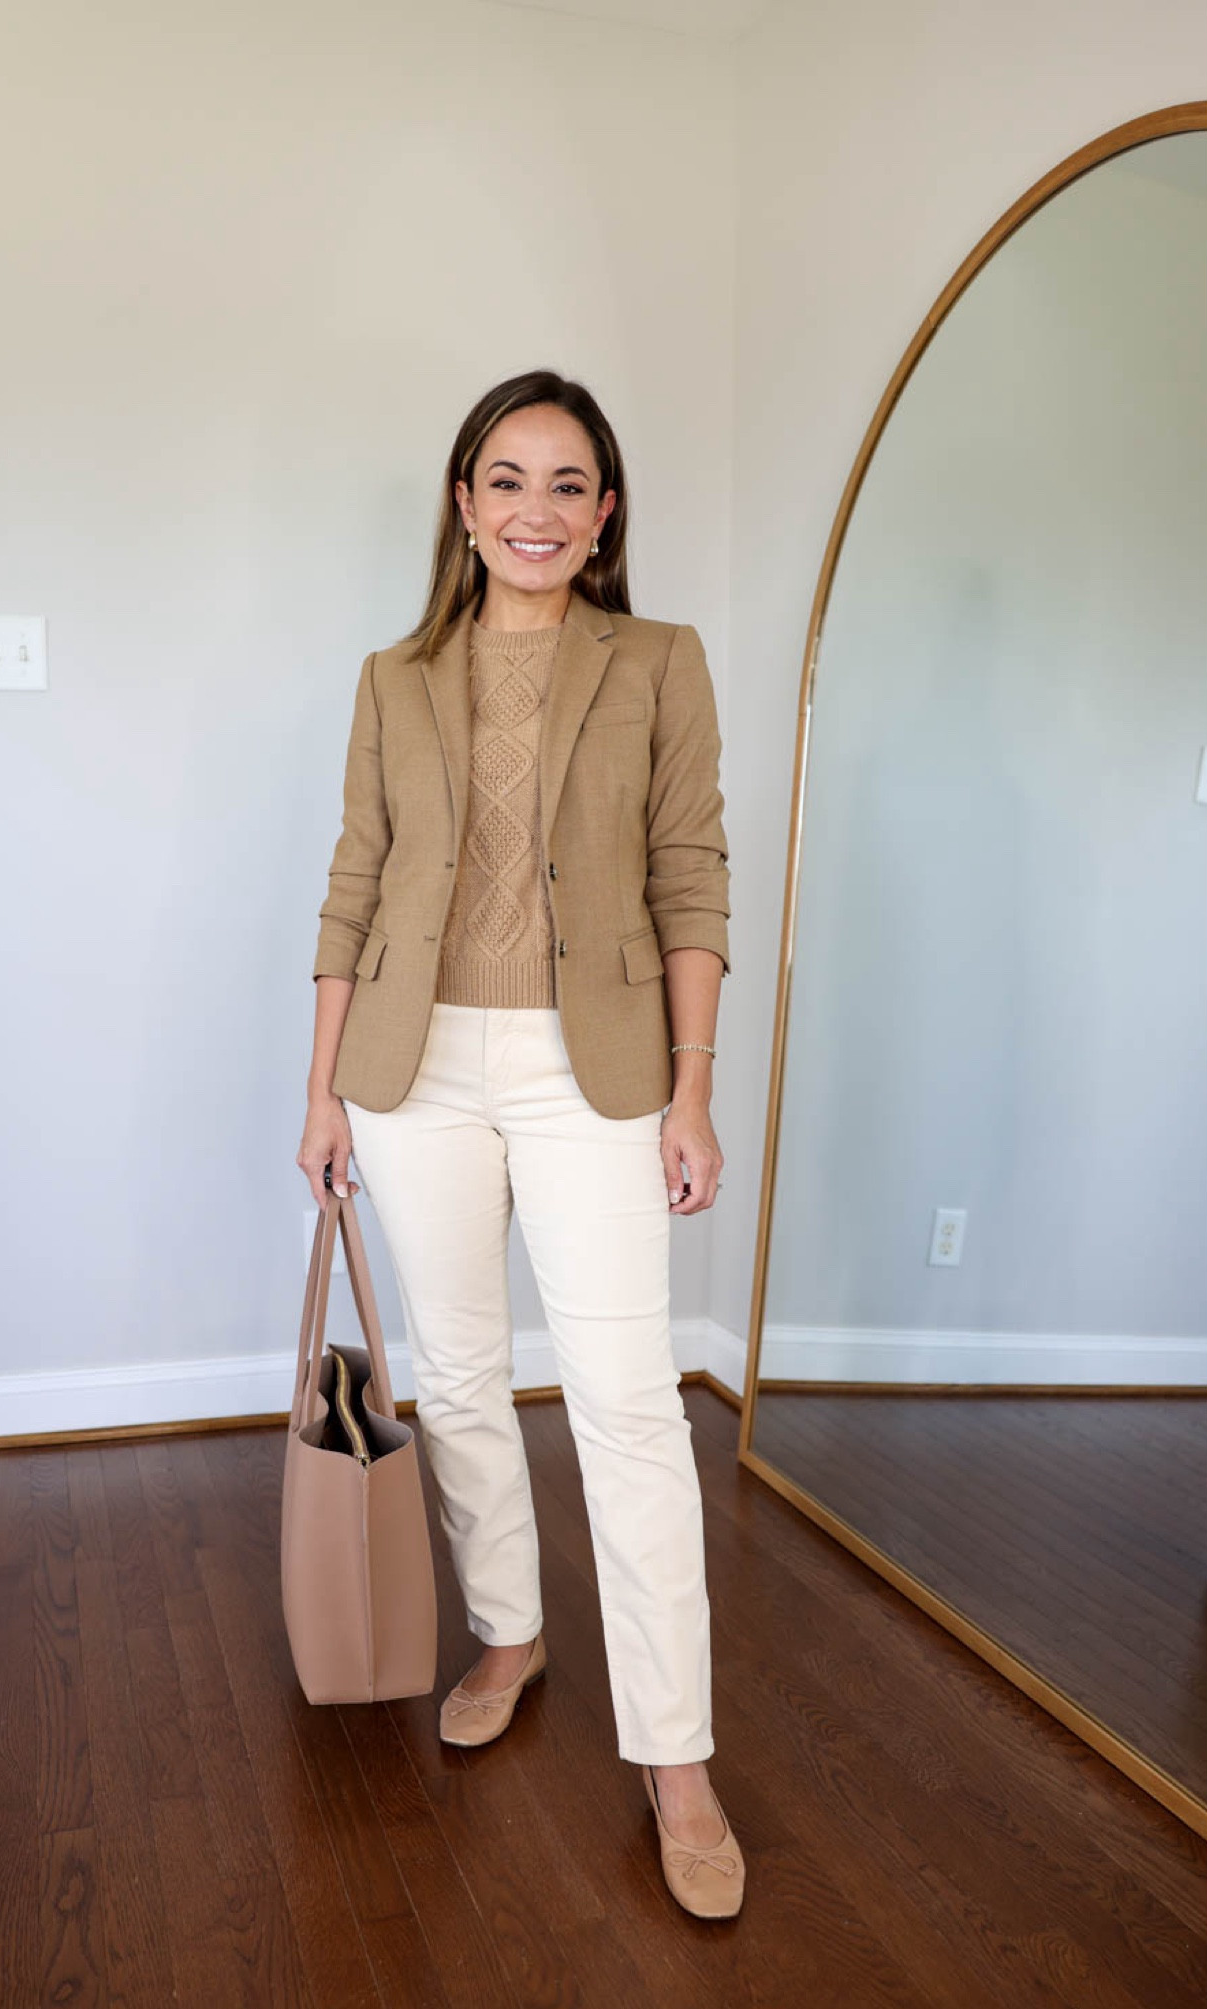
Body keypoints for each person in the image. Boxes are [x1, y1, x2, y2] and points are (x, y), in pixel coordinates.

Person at [297, 369, 744, 1919]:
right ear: (464, 502)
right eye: (507, 480)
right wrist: (320, 1092)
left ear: (604, 513)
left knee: (628, 1407)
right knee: (466, 1376)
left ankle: (676, 1760)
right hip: (415, 1070)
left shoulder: (661, 663)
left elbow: (692, 878)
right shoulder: (393, 675)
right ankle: (511, 1630)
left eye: (568, 485)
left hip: (594, 1069)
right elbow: (354, 882)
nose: (535, 512)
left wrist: (691, 1092)